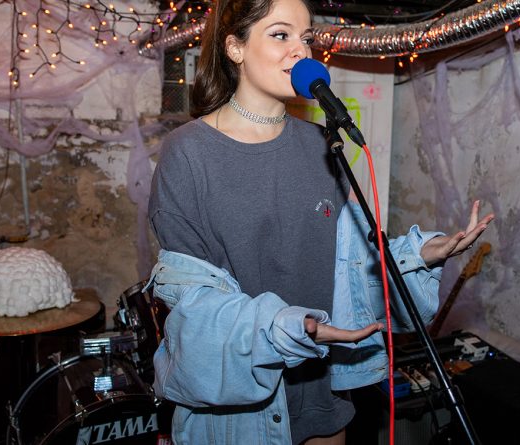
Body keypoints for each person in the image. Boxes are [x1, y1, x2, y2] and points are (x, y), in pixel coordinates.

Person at [146, 0, 494, 443]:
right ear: (235, 48)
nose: (300, 50)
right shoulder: (188, 152)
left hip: (321, 390)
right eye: (280, 34)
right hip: (237, 409)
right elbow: (193, 301)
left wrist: (418, 254)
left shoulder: (320, 144)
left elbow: (350, 265)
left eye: (306, 38)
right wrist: (287, 328)